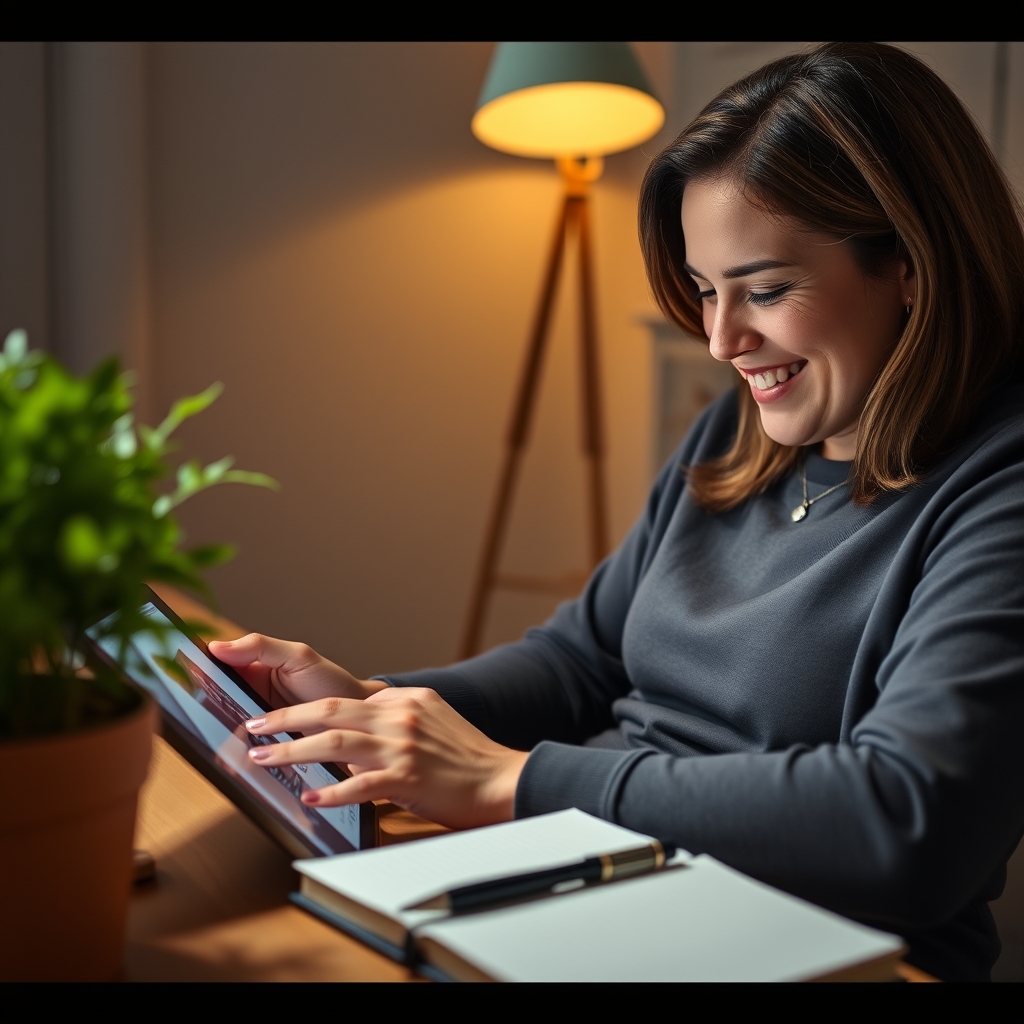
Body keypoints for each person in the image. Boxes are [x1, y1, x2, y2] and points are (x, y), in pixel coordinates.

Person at [209, 43, 1024, 981]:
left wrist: (510, 781)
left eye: (764, 291)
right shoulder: (745, 429)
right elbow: (581, 657)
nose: (722, 340)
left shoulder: (997, 483)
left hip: (819, 949)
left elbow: (907, 824)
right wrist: (370, 710)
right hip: (615, 880)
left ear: (911, 264)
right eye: (706, 291)